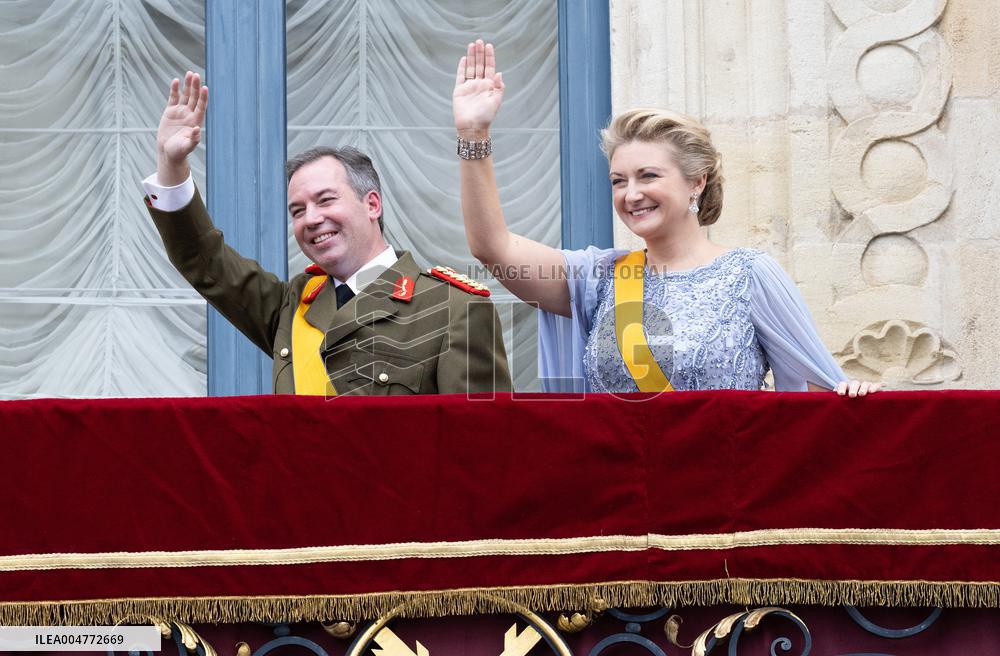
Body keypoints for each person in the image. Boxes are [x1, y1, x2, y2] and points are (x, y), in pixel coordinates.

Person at [453, 41, 879, 397]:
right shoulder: (599, 278)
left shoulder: (749, 274)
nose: (631, 194)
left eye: (648, 176)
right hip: (620, 491)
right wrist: (474, 135)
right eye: (619, 181)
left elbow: (812, 394)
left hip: (721, 489)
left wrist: (855, 398)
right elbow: (493, 247)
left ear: (696, 181)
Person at [145, 71, 511, 396]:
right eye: (297, 211)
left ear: (372, 205)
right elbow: (204, 260)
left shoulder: (455, 309)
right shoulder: (292, 305)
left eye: (325, 200)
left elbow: (479, 450)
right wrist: (171, 163)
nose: (311, 219)